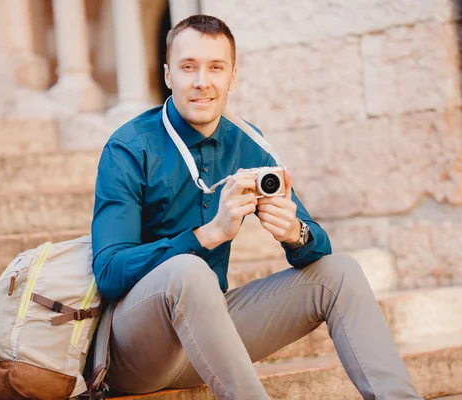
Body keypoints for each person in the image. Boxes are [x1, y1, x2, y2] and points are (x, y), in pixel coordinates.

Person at [91, 14, 422, 400]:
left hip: (210, 338)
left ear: (233, 76)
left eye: (216, 67)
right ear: (168, 75)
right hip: (136, 352)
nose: (202, 81)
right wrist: (208, 235)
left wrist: (295, 233)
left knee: (340, 272)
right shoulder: (130, 146)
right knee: (187, 270)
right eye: (188, 67)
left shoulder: (248, 141)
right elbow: (109, 272)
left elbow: (317, 245)